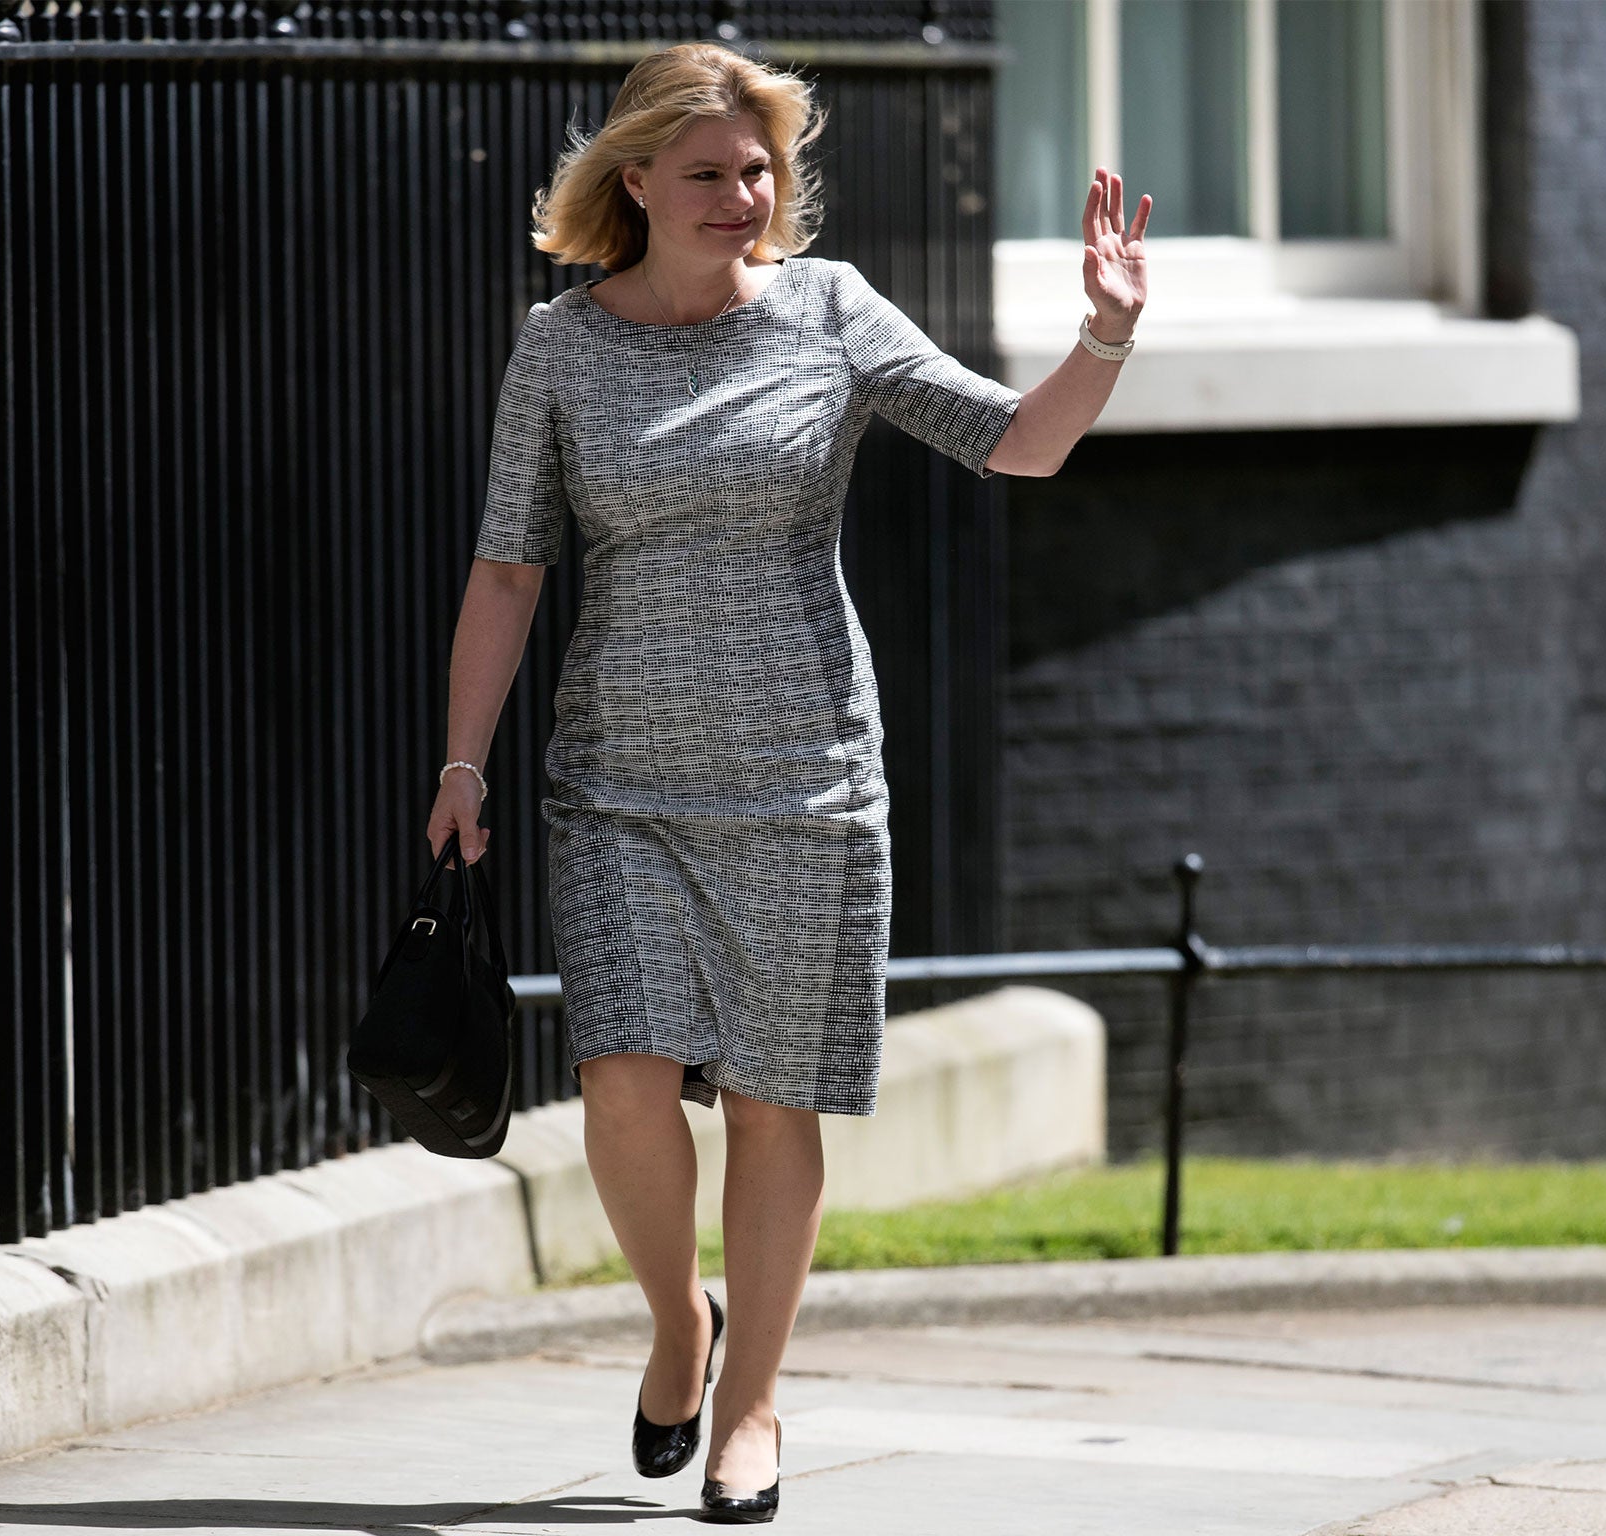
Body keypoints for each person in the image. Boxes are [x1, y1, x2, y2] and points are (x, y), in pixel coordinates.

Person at [427, 39, 1149, 1524]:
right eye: (709, 172)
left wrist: (1105, 342)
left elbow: (1017, 445)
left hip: (804, 779)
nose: (743, 195)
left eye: (759, 169)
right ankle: (676, 1328)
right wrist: (462, 761)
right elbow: (509, 568)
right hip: (618, 778)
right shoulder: (562, 345)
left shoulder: (830, 313)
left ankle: (752, 1402)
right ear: (635, 180)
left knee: (769, 1099)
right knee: (622, 1083)